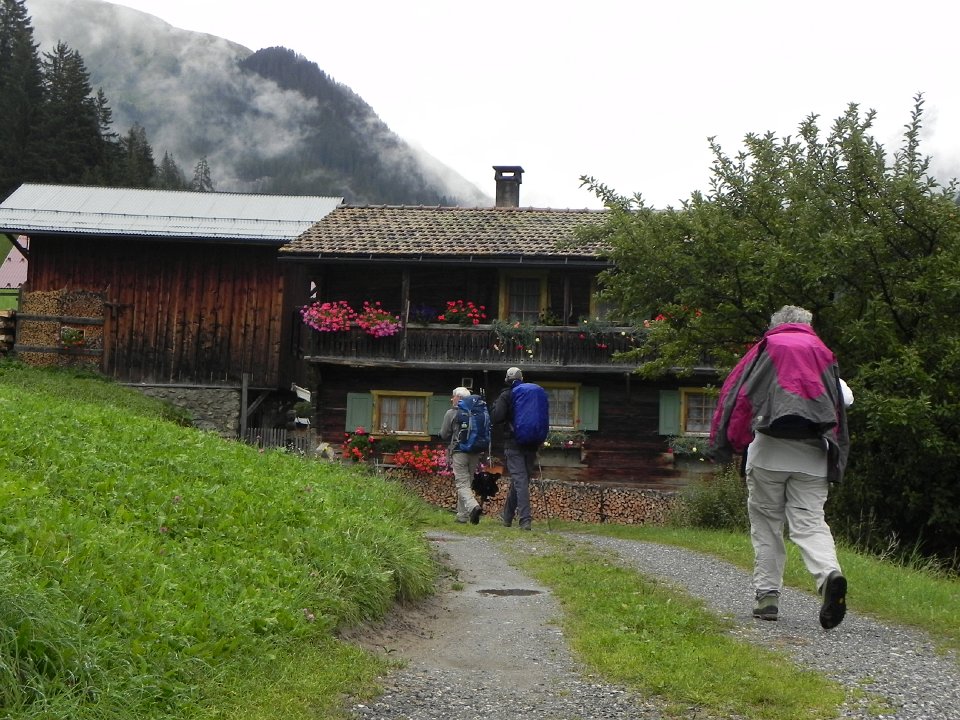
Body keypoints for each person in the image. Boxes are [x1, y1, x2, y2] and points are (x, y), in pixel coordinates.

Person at [709, 305, 851, 629]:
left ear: (776, 325)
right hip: (813, 455)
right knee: (810, 524)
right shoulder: (822, 354)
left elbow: (739, 395)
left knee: (767, 525)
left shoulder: (766, 350)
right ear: (807, 326)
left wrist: (731, 442)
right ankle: (829, 575)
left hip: (768, 453)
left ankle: (767, 597)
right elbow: (845, 400)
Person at [491, 367, 539, 531]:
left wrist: (494, 406)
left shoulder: (506, 395)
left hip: (513, 443)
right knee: (521, 480)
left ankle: (525, 520)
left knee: (520, 480)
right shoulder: (530, 395)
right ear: (522, 379)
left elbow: (497, 417)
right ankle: (507, 517)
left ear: (507, 379)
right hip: (531, 443)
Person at [439, 386, 482, 524]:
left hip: (459, 451)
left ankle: (473, 507)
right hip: (475, 452)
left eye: (454, 396)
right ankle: (462, 515)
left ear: (459, 398)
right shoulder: (477, 412)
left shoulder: (452, 413)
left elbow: (444, 434)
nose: (452, 399)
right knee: (467, 482)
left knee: (462, 483)